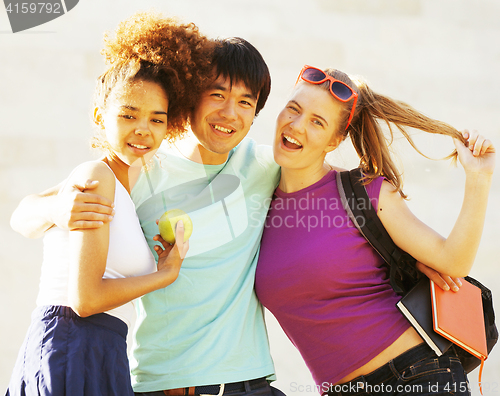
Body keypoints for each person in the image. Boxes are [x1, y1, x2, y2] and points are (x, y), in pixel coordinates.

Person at [10, 29, 286, 396]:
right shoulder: (140, 168)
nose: (229, 113)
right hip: (154, 381)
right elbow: (23, 214)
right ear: (190, 100)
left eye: (245, 102)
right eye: (217, 95)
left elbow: (330, 174)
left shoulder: (269, 166)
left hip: (247, 383)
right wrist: (57, 207)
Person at [6, 12, 213, 396]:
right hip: (73, 341)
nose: (143, 129)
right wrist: (165, 274)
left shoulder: (125, 185)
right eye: (128, 114)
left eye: (156, 119)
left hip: (97, 347)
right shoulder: (98, 176)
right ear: (101, 116)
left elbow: (24, 210)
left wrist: (51, 211)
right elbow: (85, 301)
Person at [254, 65, 495, 395]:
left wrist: (479, 179)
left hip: (415, 376)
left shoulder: (364, 190)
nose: (296, 125)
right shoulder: (256, 199)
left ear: (336, 139)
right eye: (294, 109)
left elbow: (452, 262)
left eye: (317, 122)